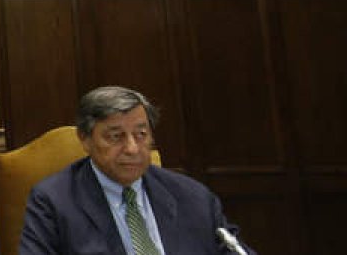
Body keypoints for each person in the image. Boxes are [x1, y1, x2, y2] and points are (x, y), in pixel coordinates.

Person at [20, 86, 255, 255]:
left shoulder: (192, 196)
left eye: (141, 135)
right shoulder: (53, 201)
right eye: (116, 137)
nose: (132, 149)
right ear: (85, 139)